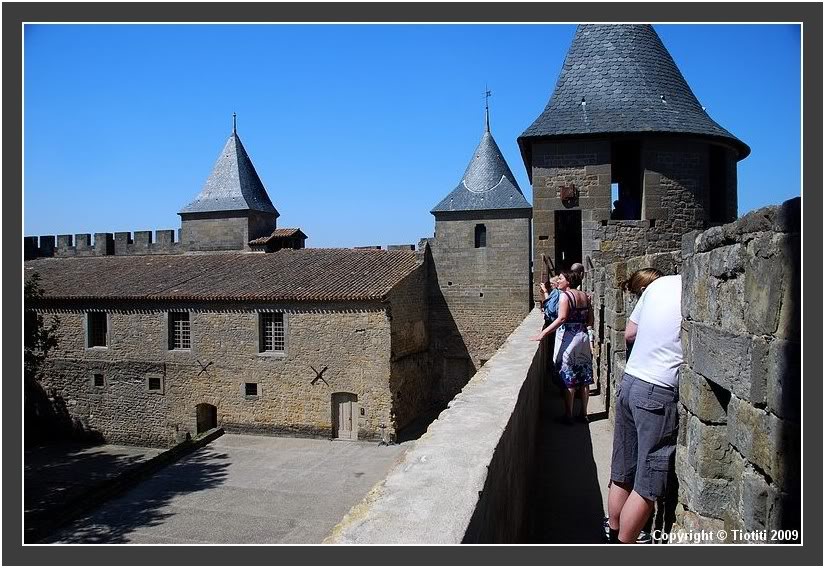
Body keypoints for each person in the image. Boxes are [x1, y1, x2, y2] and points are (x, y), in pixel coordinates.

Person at [606, 269, 682, 544]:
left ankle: (612, 534)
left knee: (622, 471)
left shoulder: (656, 287)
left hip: (630, 380)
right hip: (658, 390)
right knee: (648, 483)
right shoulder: (692, 284)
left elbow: (629, 333)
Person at [531, 269, 593, 424]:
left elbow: (562, 318)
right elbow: (590, 321)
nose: (558, 281)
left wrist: (543, 333)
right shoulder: (585, 296)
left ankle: (569, 415)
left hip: (568, 339)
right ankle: (584, 414)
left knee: (569, 377)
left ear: (569, 282)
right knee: (584, 378)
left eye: (561, 279)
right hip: (583, 337)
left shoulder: (565, 296)